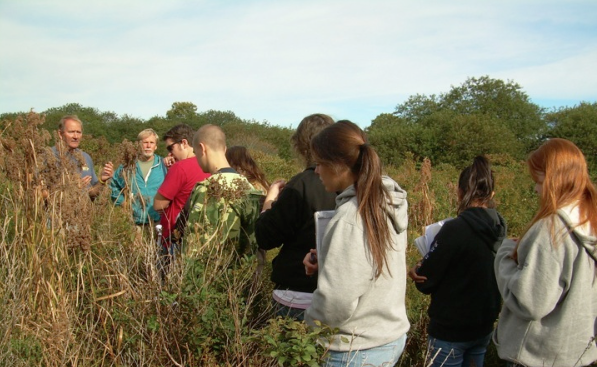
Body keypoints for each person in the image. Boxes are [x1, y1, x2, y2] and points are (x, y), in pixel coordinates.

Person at [303, 120, 410, 367]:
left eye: (319, 163)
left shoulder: (352, 216)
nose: (316, 171)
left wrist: (308, 321)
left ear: (338, 166)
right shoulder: (384, 201)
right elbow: (369, 267)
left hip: (355, 348)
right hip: (386, 337)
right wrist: (331, 264)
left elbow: (336, 301)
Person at [494, 138, 597, 367]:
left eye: (539, 180)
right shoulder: (590, 220)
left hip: (536, 355)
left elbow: (529, 302)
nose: (536, 188)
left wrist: (505, 254)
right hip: (577, 353)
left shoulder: (552, 229)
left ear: (554, 179)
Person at [408, 156, 507, 367]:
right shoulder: (499, 226)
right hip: (484, 326)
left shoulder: (454, 229)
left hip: (450, 330)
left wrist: (418, 269)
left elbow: (426, 281)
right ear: (491, 195)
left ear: (459, 192)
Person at [255, 113, 336, 321]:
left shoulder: (301, 185)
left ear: (301, 145)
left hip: (297, 293)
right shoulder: (354, 187)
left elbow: (266, 237)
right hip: (337, 294)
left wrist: (269, 202)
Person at [180, 125, 264, 257]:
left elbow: (193, 240)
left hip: (212, 271)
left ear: (202, 148)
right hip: (242, 272)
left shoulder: (205, 188)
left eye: (195, 153)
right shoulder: (249, 187)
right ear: (224, 149)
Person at [153, 124, 210, 251]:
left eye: (170, 147)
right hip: (199, 236)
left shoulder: (180, 168)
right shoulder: (208, 165)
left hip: (174, 236)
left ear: (184, 143)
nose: (169, 153)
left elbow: (158, 205)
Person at [106, 128, 167, 226]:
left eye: (151, 142)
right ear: (138, 144)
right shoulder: (128, 165)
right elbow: (114, 186)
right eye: (145, 142)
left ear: (156, 146)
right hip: (134, 222)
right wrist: (123, 204)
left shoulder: (163, 165)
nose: (148, 146)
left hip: (158, 221)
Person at [52, 115, 112, 199]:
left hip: (83, 211)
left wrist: (102, 180)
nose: (75, 136)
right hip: (58, 211)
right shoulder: (49, 156)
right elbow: (39, 192)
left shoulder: (86, 157)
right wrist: (71, 189)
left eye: (78, 132)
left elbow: (91, 193)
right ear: (60, 134)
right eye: (71, 132)